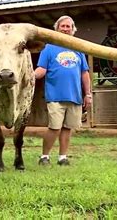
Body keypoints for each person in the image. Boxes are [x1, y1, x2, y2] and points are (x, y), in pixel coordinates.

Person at [34, 15, 92, 166]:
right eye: (63, 26)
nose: (65, 29)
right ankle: (44, 157)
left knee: (67, 128)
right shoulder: (49, 48)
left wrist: (88, 94)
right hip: (55, 96)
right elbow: (42, 69)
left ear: (73, 30)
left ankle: (62, 157)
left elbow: (84, 73)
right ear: (57, 28)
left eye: (68, 27)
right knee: (54, 127)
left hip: (75, 96)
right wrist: (29, 76)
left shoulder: (79, 49)